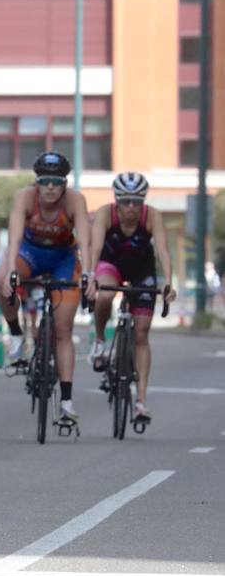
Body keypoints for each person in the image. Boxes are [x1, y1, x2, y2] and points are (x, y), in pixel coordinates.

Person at [0, 151, 91, 429]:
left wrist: (89, 274)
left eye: (56, 181)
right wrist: (11, 270)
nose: (50, 187)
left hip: (63, 258)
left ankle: (67, 403)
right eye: (45, 181)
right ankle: (15, 334)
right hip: (29, 253)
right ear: (37, 182)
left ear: (65, 183)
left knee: (63, 329)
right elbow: (13, 237)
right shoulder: (25, 198)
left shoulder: (75, 201)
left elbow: (85, 241)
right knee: (3, 279)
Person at [87, 172, 176, 423]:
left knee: (142, 332)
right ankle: (100, 340)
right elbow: (94, 248)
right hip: (110, 264)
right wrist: (90, 277)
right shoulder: (106, 213)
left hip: (141, 269)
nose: (131, 207)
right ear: (116, 200)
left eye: (137, 202)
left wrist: (168, 281)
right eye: (125, 201)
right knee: (104, 295)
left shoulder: (152, 216)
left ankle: (140, 402)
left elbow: (163, 251)